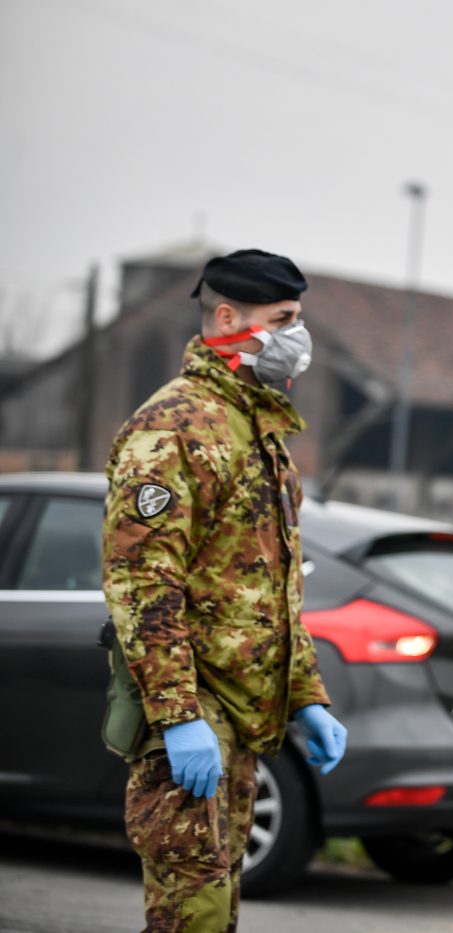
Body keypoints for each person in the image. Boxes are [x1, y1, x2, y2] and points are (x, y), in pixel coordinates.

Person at [102, 248, 347, 932]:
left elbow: (272, 590)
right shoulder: (174, 426)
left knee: (217, 904)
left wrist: (304, 697)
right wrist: (178, 715)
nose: (297, 338)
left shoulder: (259, 434)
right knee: (193, 911)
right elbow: (143, 579)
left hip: (241, 719)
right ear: (229, 317)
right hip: (192, 712)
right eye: (284, 319)